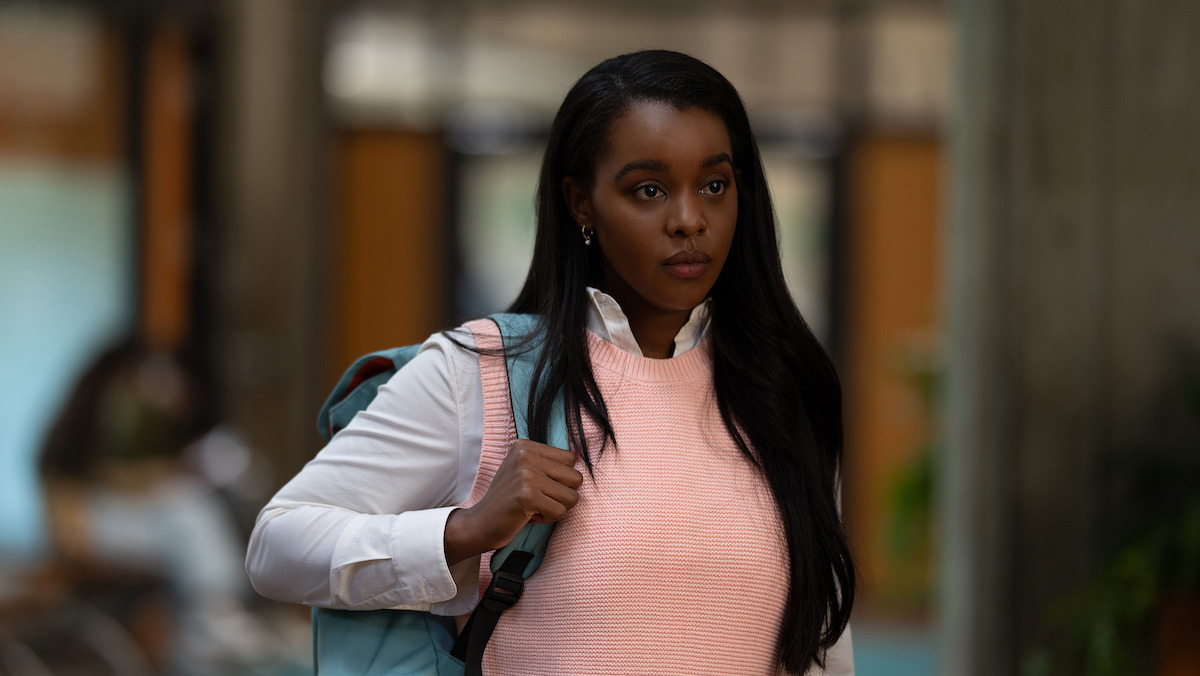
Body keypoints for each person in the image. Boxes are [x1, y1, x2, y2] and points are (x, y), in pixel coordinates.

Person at [246, 50, 855, 675]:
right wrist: (464, 530)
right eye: (648, 189)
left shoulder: (782, 390)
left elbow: (819, 645)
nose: (688, 220)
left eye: (714, 185)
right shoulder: (482, 372)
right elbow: (277, 545)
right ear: (580, 203)